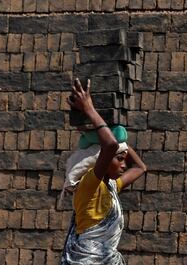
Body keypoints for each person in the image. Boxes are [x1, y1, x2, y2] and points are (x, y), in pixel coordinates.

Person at [60, 78, 147, 264]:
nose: (124, 165)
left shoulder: (111, 187)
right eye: (120, 160)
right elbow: (109, 145)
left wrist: (120, 134)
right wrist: (89, 109)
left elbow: (140, 167)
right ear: (103, 159)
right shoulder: (89, 185)